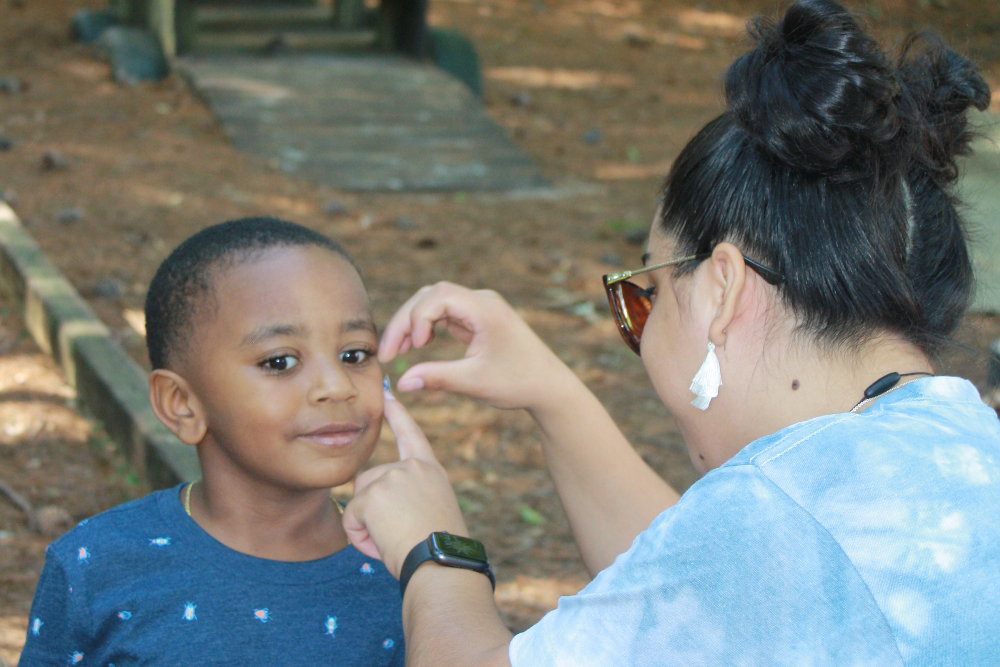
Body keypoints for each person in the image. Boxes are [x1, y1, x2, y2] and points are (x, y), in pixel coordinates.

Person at [343, 1, 1000, 665]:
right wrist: (550, 393)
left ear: (721, 288)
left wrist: (433, 546)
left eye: (645, 293)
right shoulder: (962, 451)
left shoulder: (775, 509)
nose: (640, 328)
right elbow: (700, 597)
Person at [20, 218, 404, 665]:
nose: (337, 386)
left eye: (354, 354)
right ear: (182, 403)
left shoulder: (411, 569)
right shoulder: (97, 563)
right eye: (280, 361)